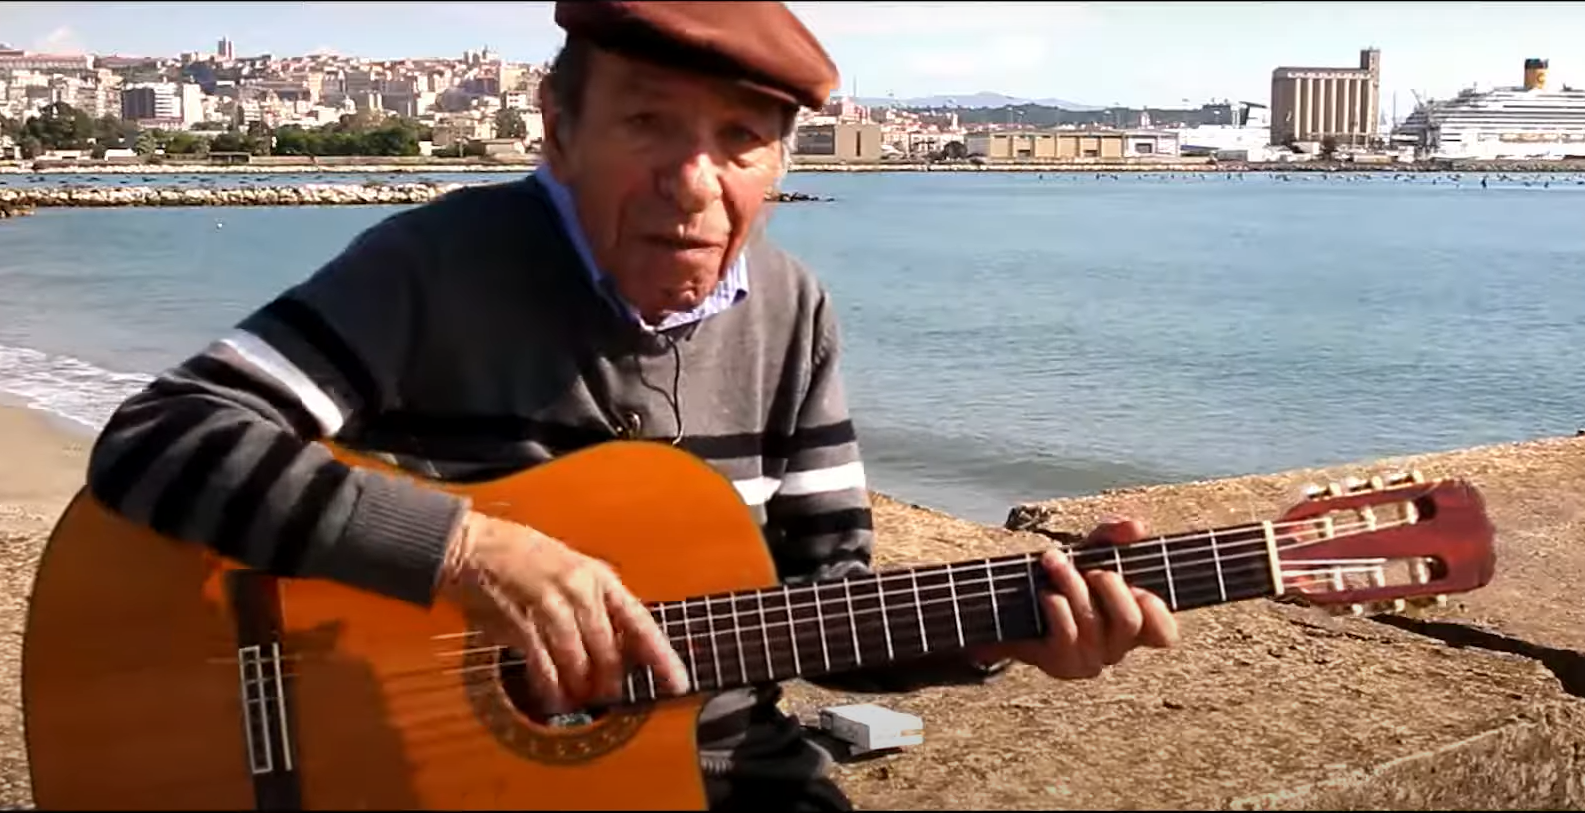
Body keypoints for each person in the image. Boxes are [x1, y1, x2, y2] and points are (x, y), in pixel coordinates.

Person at [83, 2, 1179, 810]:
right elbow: (162, 437)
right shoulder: (436, 267)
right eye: (649, 122)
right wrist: (469, 552)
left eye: (741, 138)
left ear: (780, 160)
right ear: (558, 130)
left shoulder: (792, 311)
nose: (695, 181)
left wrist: (1006, 633)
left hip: (724, 771)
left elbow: (826, 605)